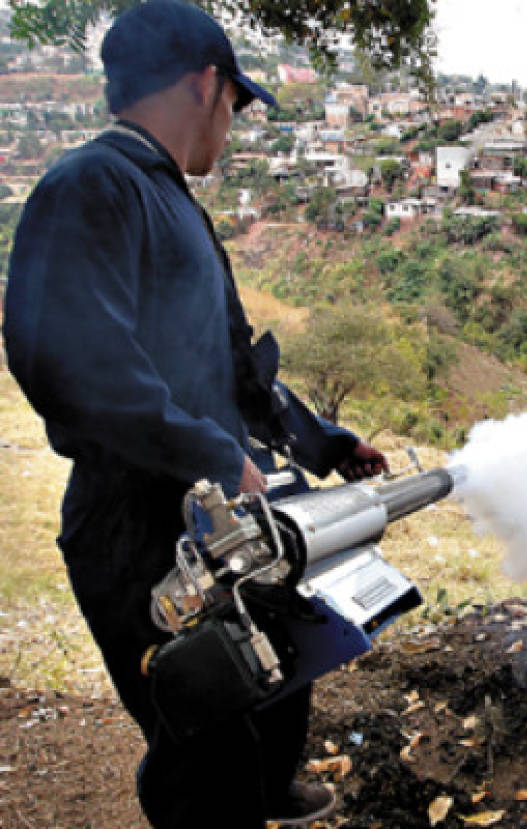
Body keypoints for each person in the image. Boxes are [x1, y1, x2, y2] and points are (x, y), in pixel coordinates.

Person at [2, 1, 389, 825]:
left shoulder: (168, 198)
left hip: (213, 517)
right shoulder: (90, 185)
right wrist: (207, 449)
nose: (234, 124)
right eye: (238, 103)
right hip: (138, 527)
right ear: (208, 83)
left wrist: (326, 443)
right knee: (202, 729)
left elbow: (233, 365)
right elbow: (62, 359)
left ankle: (260, 786)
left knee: (277, 669)